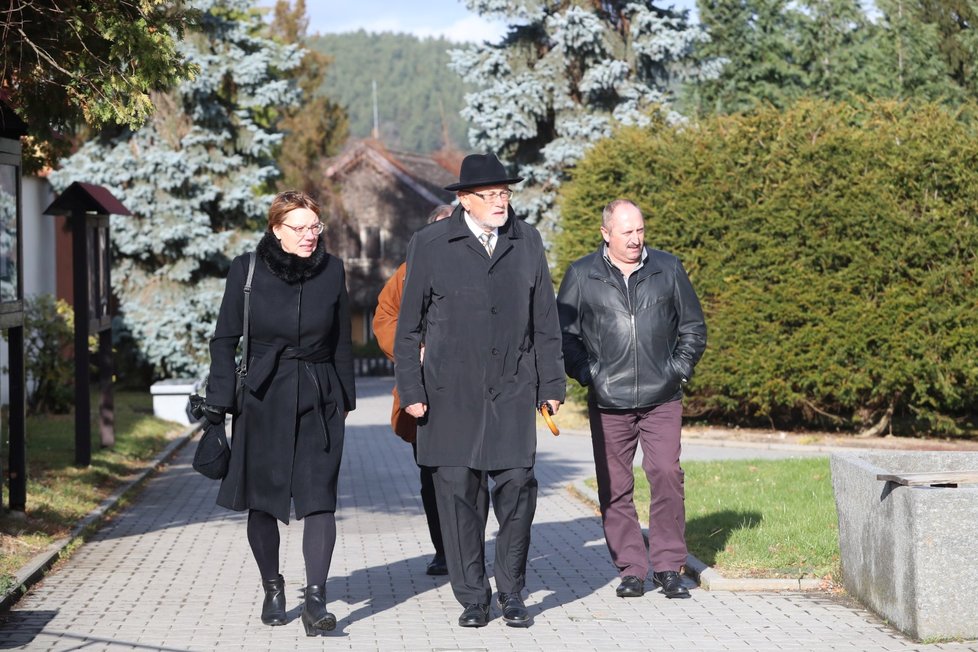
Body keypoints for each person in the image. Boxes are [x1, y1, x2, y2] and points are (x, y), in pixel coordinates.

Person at [394, 153, 565, 628]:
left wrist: (551, 385)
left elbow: (545, 321)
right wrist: (411, 388)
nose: (500, 203)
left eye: (504, 194)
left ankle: (511, 591)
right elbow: (407, 328)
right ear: (464, 201)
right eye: (489, 195)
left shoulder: (526, 241)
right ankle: (473, 597)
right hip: (448, 395)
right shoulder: (430, 243)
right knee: (458, 497)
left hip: (512, 388)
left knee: (517, 491)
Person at [204, 190, 355, 635]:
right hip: (263, 396)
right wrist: (220, 402)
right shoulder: (245, 271)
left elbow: (342, 342)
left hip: (318, 395)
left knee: (319, 498)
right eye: (300, 228)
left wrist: (343, 400)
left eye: (316, 227)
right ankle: (273, 586)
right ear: (276, 230)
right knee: (263, 501)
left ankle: (316, 599)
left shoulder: (333, 271)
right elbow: (224, 339)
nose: (310, 236)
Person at [556, 198, 706, 600]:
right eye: (627, 232)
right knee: (614, 486)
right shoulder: (581, 274)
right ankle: (632, 570)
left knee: (666, 475)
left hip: (662, 397)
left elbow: (693, 327)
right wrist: (590, 374)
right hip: (608, 401)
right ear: (606, 234)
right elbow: (565, 337)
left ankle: (669, 566)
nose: (636, 239)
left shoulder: (668, 268)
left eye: (640, 230)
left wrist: (678, 369)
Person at [372, 203, 453, 577]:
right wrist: (411, 349)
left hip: (468, 390)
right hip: (422, 391)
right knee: (430, 475)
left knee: (470, 475)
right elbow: (384, 316)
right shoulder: (407, 273)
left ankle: (466, 548)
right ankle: (443, 550)